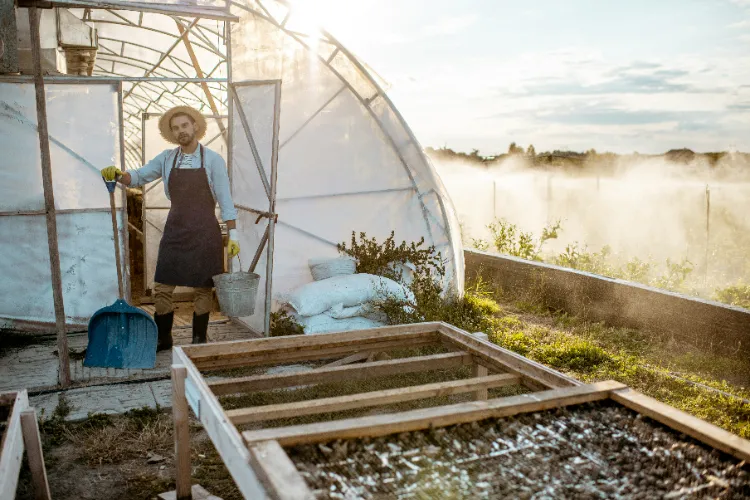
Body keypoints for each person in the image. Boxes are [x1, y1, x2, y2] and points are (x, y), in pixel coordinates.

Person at [101, 105, 239, 350]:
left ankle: (199, 338)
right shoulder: (166, 158)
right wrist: (120, 174)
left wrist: (234, 233)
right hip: (175, 229)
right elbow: (139, 176)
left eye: (185, 125)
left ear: (195, 126)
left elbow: (226, 199)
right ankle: (164, 338)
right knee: (162, 287)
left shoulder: (213, 161)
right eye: (176, 128)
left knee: (203, 287)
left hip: (205, 230)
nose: (181, 131)